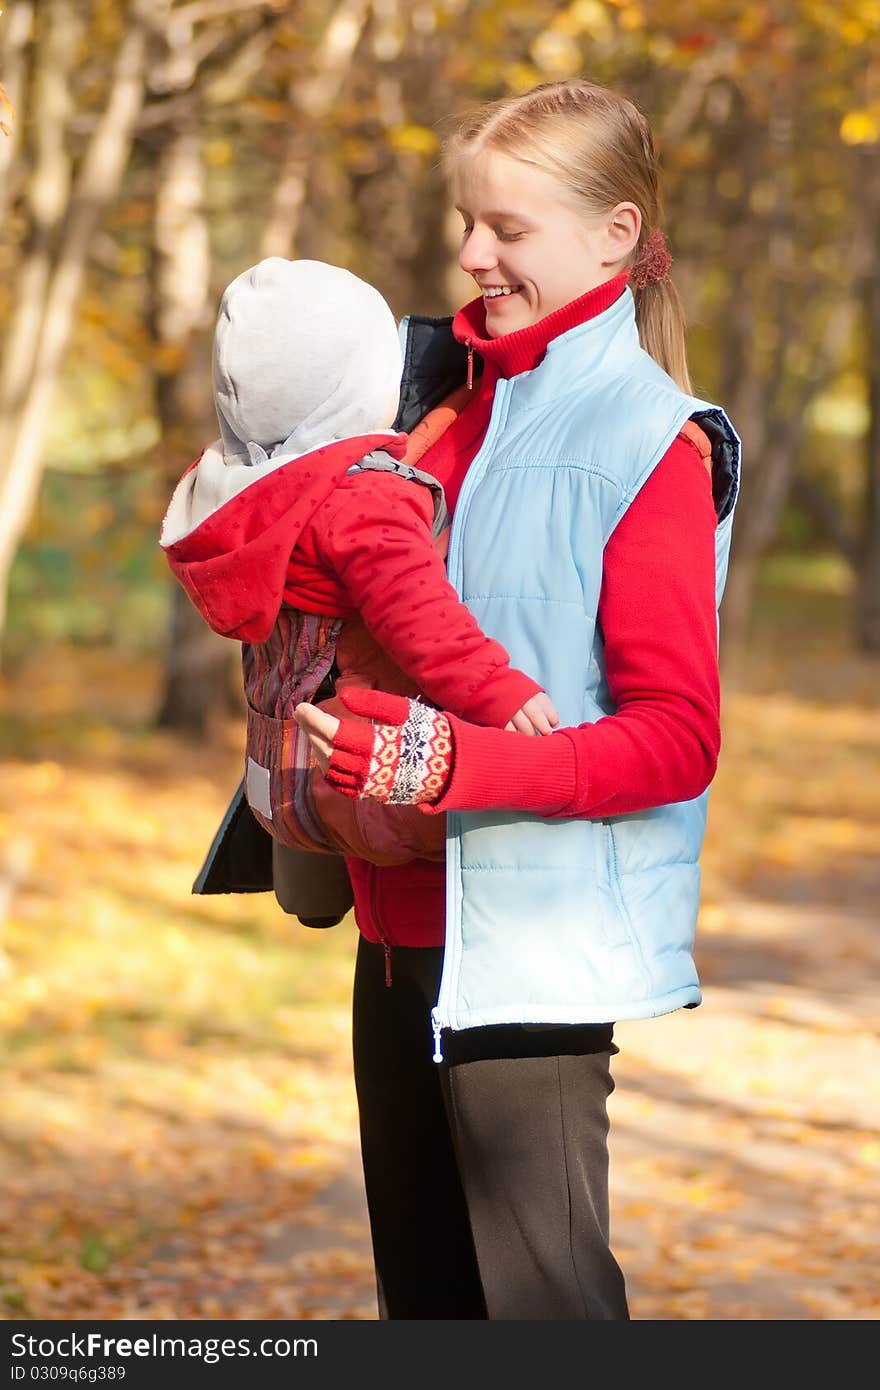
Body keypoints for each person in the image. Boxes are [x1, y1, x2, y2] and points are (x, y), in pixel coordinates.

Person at [207, 78, 741, 1319]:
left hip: (529, 956)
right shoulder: (429, 408)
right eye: (465, 220)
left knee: (544, 1315)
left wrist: (449, 765)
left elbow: (676, 740)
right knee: (425, 1309)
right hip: (392, 939)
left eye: (507, 228)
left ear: (614, 232)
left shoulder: (651, 443)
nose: (469, 253)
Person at [160, 256, 558, 900]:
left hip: (279, 782)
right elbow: (417, 612)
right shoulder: (365, 496)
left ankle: (312, 895)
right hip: (367, 788)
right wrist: (496, 690)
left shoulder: (236, 489)